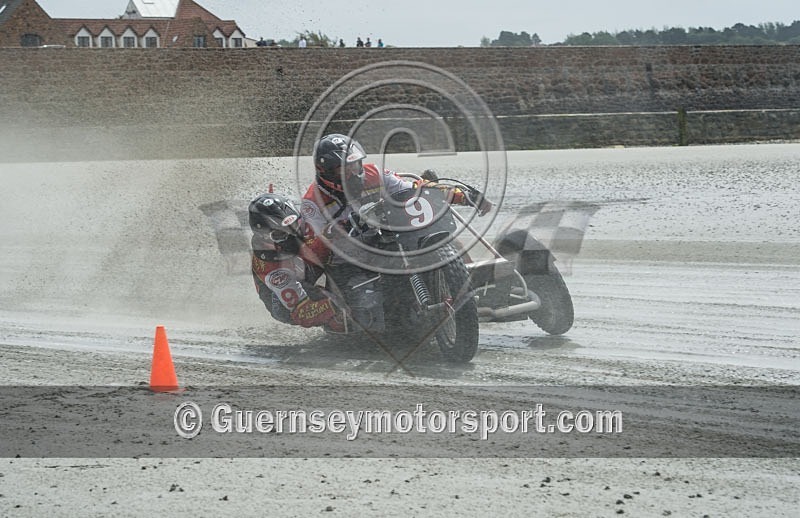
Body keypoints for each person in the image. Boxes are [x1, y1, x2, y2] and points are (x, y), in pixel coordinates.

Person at [300, 134, 492, 269]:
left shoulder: (374, 174)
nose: (353, 173)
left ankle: (471, 283)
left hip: (386, 238)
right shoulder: (312, 202)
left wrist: (462, 196)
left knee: (443, 238)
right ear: (326, 171)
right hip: (349, 261)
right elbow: (313, 250)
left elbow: (413, 188)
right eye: (344, 169)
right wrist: (336, 230)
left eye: (355, 165)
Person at [248, 193, 345, 331]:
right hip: (288, 306)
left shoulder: (301, 220)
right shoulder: (274, 273)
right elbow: (303, 313)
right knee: (338, 311)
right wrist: (338, 306)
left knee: (334, 236)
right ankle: (343, 330)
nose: (292, 234)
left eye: (294, 225)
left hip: (300, 264)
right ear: (264, 238)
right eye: (280, 234)